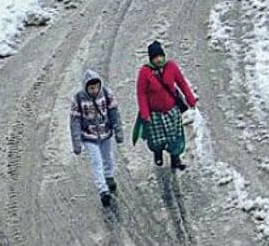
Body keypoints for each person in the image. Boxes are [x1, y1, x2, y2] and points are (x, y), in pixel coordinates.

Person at [135, 41, 197, 172]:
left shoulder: (171, 67)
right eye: (155, 57)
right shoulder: (145, 72)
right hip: (155, 113)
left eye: (160, 56)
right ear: (151, 58)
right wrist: (145, 113)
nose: (158, 59)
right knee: (157, 139)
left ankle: (176, 158)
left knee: (175, 136)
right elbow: (141, 94)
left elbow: (182, 83)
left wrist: (190, 98)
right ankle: (158, 153)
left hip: (171, 111)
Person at [69, 70, 122, 207]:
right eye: (91, 88)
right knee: (96, 162)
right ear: (86, 87)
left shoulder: (106, 94)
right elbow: (75, 121)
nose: (94, 90)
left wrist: (118, 130)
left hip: (105, 133)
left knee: (108, 157)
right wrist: (76, 142)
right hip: (89, 136)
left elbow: (114, 113)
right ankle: (103, 190)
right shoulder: (78, 99)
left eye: (96, 87)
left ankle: (109, 176)